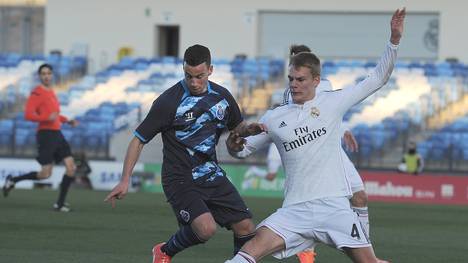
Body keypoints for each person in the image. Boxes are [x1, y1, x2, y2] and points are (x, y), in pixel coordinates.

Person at [224, 8, 405, 263]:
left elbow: (377, 78)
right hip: (294, 211)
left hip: (333, 207)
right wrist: (235, 138)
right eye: (291, 79)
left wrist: (394, 40)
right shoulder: (274, 117)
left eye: (300, 79)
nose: (294, 84)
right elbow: (241, 150)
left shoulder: (333, 102)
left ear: (317, 80)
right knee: (246, 254)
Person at [104, 44, 265, 263]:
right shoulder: (168, 101)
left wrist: (249, 131)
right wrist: (125, 180)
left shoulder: (222, 96)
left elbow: (238, 128)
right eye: (189, 76)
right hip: (178, 177)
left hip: (210, 173)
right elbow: (138, 140)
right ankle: (164, 251)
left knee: (246, 227)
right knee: (206, 229)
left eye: (199, 76)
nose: (194, 82)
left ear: (210, 70)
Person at [2, 63, 79, 212]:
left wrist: (67, 120)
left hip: (57, 134)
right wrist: (46, 117)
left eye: (49, 73)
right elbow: (29, 114)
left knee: (71, 167)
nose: (46, 76)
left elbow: (54, 115)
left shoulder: (51, 92)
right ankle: (13, 180)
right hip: (46, 136)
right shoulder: (36, 93)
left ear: (52, 75)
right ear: (39, 76)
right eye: (43, 73)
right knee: (45, 174)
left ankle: (60, 204)